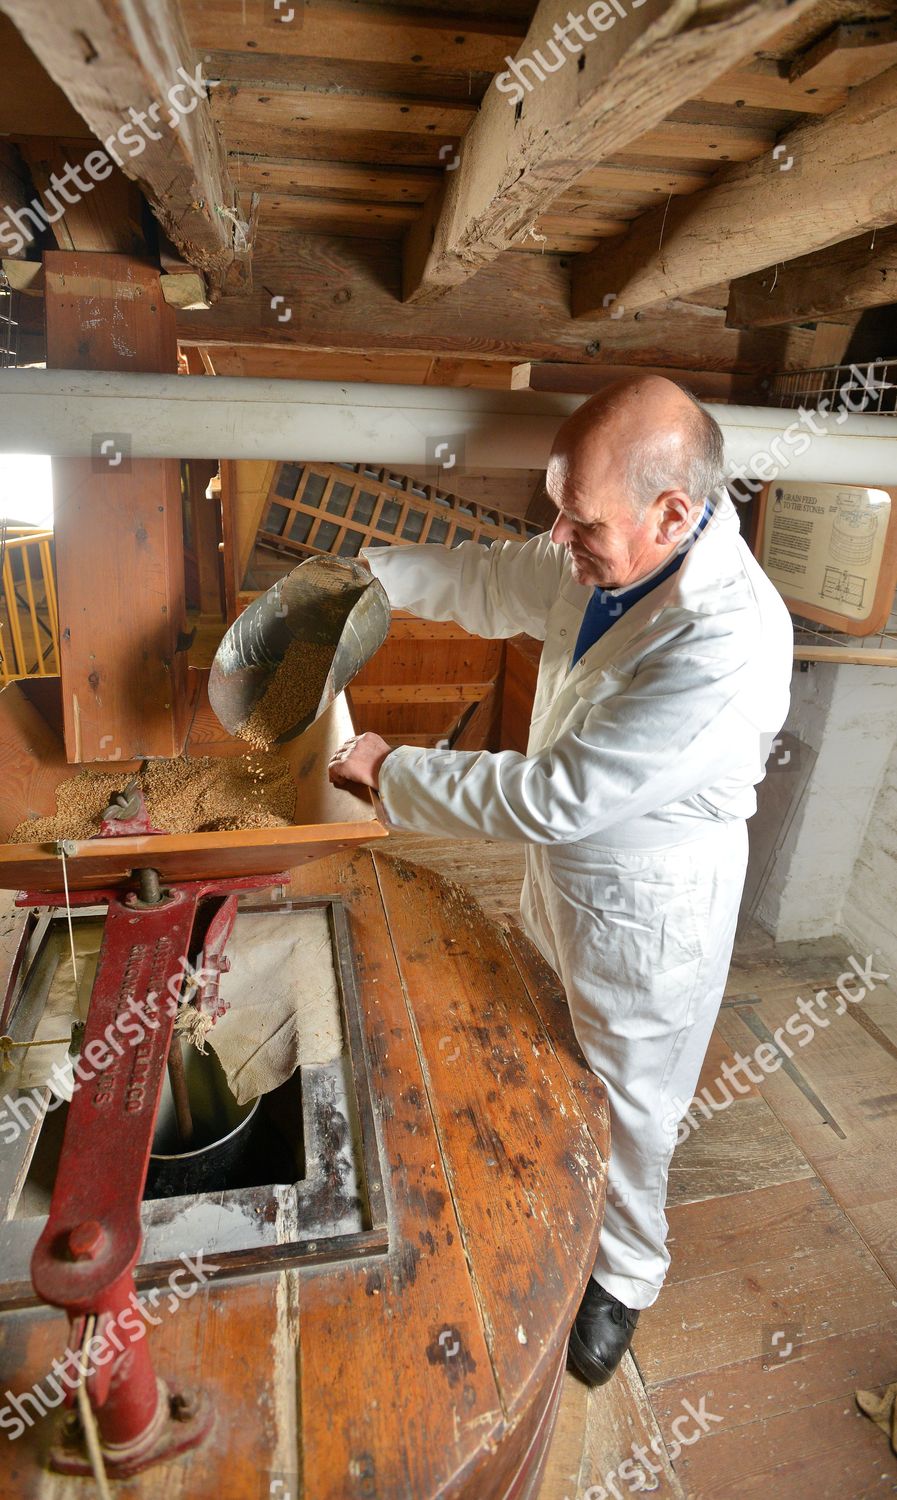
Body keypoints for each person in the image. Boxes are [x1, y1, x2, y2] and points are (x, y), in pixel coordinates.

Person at [328, 375, 793, 1386]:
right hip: (570, 876)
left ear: (672, 512)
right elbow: (500, 578)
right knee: (547, 1032)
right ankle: (555, 1179)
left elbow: (560, 793)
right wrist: (373, 580)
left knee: (632, 1098)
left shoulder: (725, 638)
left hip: (649, 911)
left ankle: (625, 1272)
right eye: (558, 508)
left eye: (580, 520)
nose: (558, 536)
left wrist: (393, 772)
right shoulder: (615, 550)